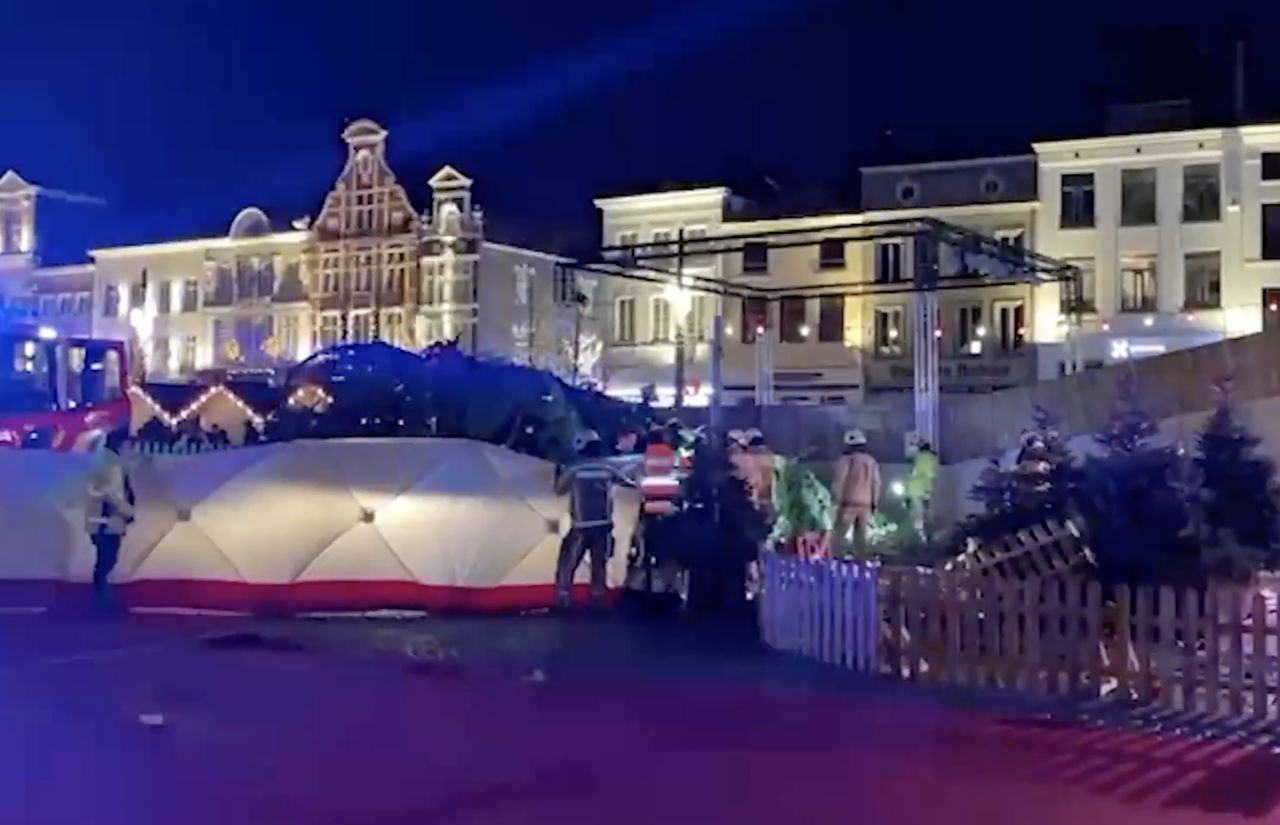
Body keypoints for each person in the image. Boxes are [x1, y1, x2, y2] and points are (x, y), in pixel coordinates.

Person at [554, 430, 636, 608]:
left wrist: (557, 473)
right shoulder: (607, 468)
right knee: (600, 564)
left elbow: (559, 490)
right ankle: (597, 598)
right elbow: (628, 483)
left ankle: (563, 598)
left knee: (568, 563)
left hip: (580, 525)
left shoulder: (574, 468)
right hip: (604, 524)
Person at [84, 428, 135, 611]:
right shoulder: (112, 465)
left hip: (101, 520)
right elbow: (114, 494)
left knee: (104, 559)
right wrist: (129, 511)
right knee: (107, 560)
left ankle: (101, 599)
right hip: (106, 520)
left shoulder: (105, 461)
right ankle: (102, 601)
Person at [831, 429, 881, 555]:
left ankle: (834, 562)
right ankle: (861, 565)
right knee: (861, 538)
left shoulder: (846, 460)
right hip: (866, 504)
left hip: (848, 503)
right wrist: (874, 502)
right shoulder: (871, 461)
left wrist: (836, 499)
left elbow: (839, 480)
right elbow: (876, 483)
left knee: (838, 536)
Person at [905, 441, 939, 541]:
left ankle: (919, 537)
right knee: (927, 514)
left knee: (917, 515)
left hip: (914, 489)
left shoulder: (919, 457)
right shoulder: (933, 459)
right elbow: (931, 475)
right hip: (927, 489)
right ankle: (929, 536)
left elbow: (913, 472)